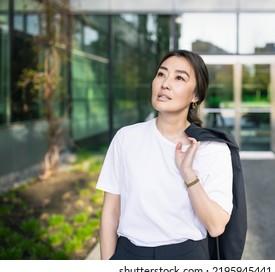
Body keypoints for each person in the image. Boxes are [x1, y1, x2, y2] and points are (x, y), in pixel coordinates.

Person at [96, 49, 234, 260]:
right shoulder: (126, 138)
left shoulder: (212, 149)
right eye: (161, 74)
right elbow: (111, 211)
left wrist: (188, 174)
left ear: (196, 95)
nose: (165, 83)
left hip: (186, 257)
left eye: (179, 77)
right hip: (129, 254)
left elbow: (216, 226)